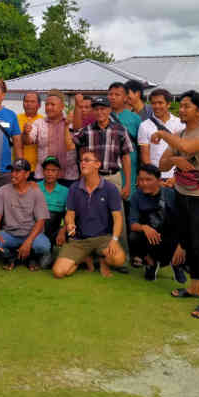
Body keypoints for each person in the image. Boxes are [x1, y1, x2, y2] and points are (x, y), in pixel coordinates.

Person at [152, 90, 199, 319]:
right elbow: (161, 165)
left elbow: (188, 148)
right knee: (188, 242)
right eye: (181, 106)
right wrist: (176, 159)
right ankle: (194, 286)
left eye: (187, 106)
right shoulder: (179, 134)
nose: (181, 110)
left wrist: (162, 133)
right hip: (181, 194)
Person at [72, 96, 133, 269]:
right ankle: (90, 255)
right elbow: (73, 140)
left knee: (117, 216)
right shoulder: (87, 130)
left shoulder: (120, 130)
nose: (100, 112)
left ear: (109, 110)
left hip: (113, 177)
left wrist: (128, 183)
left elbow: (126, 157)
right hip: (91, 178)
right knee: (90, 215)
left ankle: (122, 258)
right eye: (96, 109)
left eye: (103, 109)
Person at [52, 150, 126, 278]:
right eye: (81, 161)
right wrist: (70, 224)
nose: (82, 163)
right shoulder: (74, 188)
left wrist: (114, 240)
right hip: (79, 240)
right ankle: (85, 257)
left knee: (119, 259)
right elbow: (70, 214)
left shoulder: (110, 188)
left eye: (87, 160)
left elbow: (118, 219)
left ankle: (103, 262)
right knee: (59, 272)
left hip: (103, 238)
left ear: (97, 164)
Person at [0, 158, 51, 270]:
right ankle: (12, 257)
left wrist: (28, 241)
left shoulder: (36, 191)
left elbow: (41, 221)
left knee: (44, 246)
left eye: (17, 171)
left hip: (31, 234)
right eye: (12, 171)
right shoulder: (2, 191)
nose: (13, 174)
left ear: (26, 174)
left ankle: (31, 257)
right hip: (10, 233)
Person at [128, 164, 181, 282]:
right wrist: (145, 228)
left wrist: (181, 246)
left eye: (148, 179)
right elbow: (133, 224)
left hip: (170, 235)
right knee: (134, 236)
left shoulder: (170, 194)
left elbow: (182, 222)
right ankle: (151, 262)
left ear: (158, 180)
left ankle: (176, 262)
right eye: (141, 180)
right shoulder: (136, 196)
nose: (144, 183)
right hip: (150, 236)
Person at [23, 89, 78, 187]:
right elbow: (28, 141)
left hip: (68, 175)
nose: (49, 107)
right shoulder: (39, 123)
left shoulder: (71, 122)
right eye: (47, 105)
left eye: (52, 105)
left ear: (61, 106)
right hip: (43, 176)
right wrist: (26, 133)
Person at [137, 89, 182, 180]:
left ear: (168, 104)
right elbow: (145, 157)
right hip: (155, 178)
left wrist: (177, 177)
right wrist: (154, 178)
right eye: (153, 103)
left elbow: (183, 153)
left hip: (176, 177)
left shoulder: (180, 123)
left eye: (160, 103)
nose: (157, 106)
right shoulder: (144, 126)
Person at [107, 82, 142, 199]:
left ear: (126, 98)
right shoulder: (102, 116)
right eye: (110, 94)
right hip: (109, 168)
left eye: (117, 94)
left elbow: (141, 146)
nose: (113, 97)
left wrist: (140, 172)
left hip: (131, 168)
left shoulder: (135, 118)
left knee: (128, 201)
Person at [37, 156, 69, 253]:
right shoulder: (34, 187)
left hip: (56, 229)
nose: (50, 173)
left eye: (53, 170)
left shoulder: (65, 191)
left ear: (58, 172)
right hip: (37, 228)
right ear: (43, 171)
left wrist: (62, 231)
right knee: (44, 263)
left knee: (72, 229)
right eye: (47, 170)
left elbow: (68, 215)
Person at [17, 91, 43, 171]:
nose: (29, 104)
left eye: (32, 102)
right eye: (26, 101)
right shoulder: (15, 119)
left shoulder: (43, 120)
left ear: (39, 105)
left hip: (38, 168)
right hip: (19, 167)